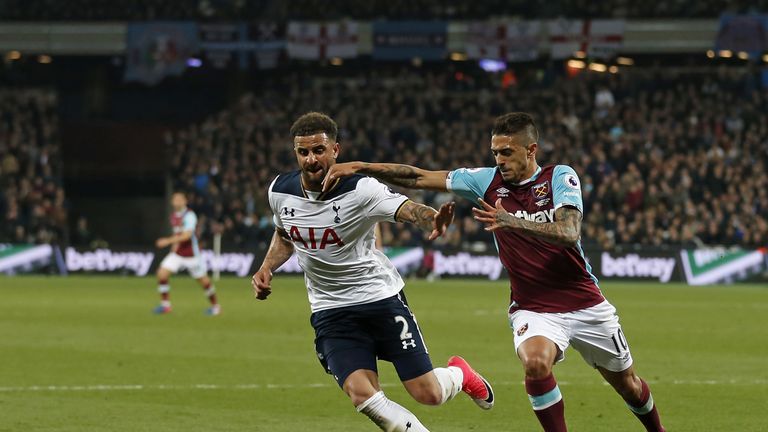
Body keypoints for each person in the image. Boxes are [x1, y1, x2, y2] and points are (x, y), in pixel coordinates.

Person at [322, 112, 666, 432]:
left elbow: (568, 233)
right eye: (495, 152)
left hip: (585, 303)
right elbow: (418, 176)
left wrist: (509, 220)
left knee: (629, 386)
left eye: (506, 152)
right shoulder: (484, 181)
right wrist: (363, 167)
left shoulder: (559, 177)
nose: (499, 160)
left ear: (531, 150)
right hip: (533, 307)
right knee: (535, 363)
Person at [251, 112, 494, 432]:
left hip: (378, 298)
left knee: (428, 393)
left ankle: (459, 374)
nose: (311, 159)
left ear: (335, 150)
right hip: (330, 310)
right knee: (362, 395)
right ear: (295, 152)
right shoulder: (279, 191)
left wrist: (431, 219)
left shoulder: (361, 189)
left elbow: (408, 209)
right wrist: (268, 266)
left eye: (319, 150)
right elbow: (285, 234)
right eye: (303, 152)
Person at [153, 192, 220, 316]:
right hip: (178, 254)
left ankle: (216, 307)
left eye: (180, 199)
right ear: (172, 202)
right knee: (162, 273)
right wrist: (173, 248)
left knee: (204, 281)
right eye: (175, 199)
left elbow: (187, 236)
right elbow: (178, 234)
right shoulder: (173, 216)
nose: (177, 201)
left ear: (185, 201)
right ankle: (165, 306)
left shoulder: (189, 215)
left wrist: (167, 241)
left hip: (191, 255)